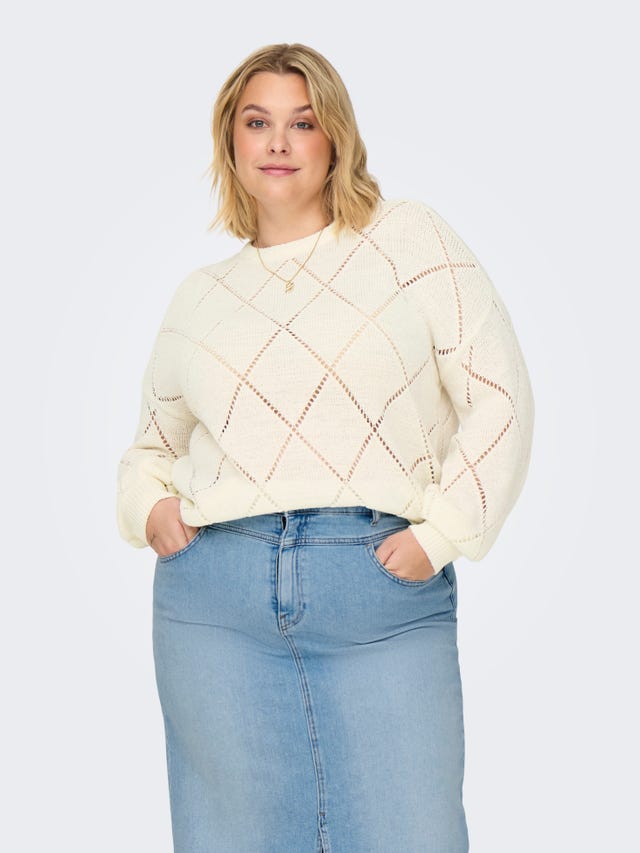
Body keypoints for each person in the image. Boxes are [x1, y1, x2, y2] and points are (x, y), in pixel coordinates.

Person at [116, 42, 534, 853]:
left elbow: (502, 394)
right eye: (257, 122)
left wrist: (443, 534)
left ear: (335, 137)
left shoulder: (407, 239)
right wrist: (151, 506)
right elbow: (151, 447)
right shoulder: (199, 298)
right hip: (214, 602)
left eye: (302, 123)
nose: (278, 142)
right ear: (230, 142)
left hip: (375, 588)